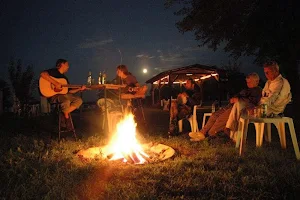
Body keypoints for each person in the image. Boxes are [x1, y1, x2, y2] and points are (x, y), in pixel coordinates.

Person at [189, 73, 262, 141]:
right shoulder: (247, 89)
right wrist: (233, 98)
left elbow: (252, 101)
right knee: (214, 115)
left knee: (220, 119)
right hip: (231, 106)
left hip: (239, 109)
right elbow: (239, 95)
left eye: (250, 82)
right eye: (247, 82)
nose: (248, 84)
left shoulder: (257, 90)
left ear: (256, 81)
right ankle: (202, 132)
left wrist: (238, 99)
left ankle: (210, 135)